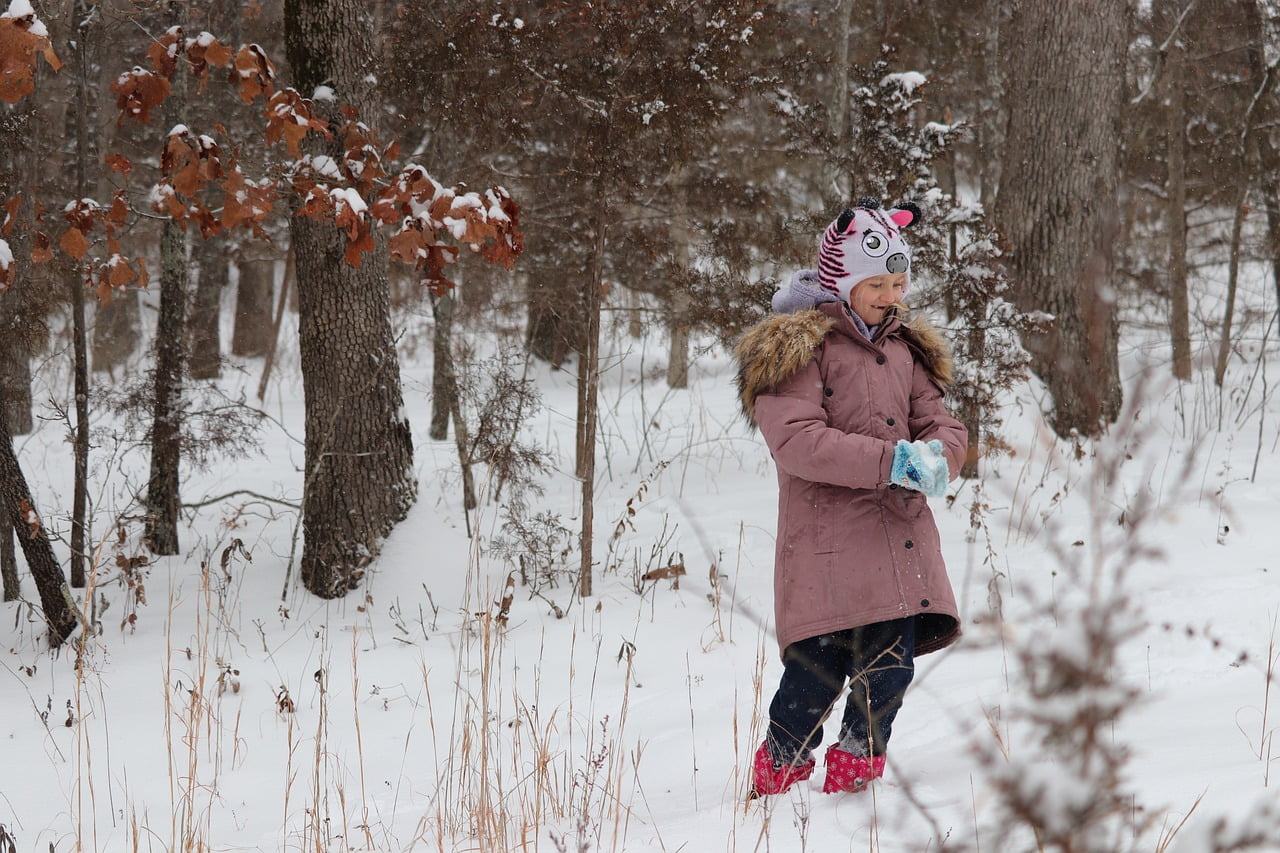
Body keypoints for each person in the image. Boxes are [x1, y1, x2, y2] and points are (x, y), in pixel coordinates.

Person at [734, 198, 966, 797]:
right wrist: (892, 461)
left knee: (890, 668)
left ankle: (856, 775)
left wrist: (939, 454)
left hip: (895, 537)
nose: (891, 295)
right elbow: (797, 441)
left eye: (898, 281)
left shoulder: (903, 350)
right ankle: (780, 771)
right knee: (817, 673)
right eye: (878, 284)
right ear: (842, 282)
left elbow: (940, 420)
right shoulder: (800, 349)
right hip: (828, 547)